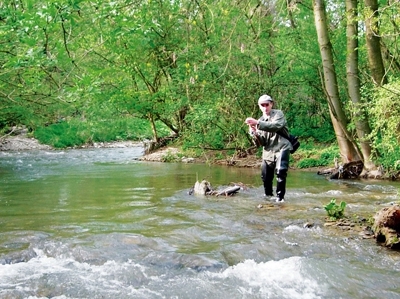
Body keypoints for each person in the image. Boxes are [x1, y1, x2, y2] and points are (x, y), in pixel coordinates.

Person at [245, 94, 292, 202]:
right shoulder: (260, 120)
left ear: (271, 104)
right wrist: (255, 134)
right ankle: (268, 197)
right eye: (263, 105)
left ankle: (280, 198)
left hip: (282, 147)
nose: (265, 107)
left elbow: (275, 126)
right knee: (265, 177)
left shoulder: (278, 114)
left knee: (281, 172)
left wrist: (257, 123)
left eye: (267, 104)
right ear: (259, 106)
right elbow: (261, 143)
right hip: (268, 151)